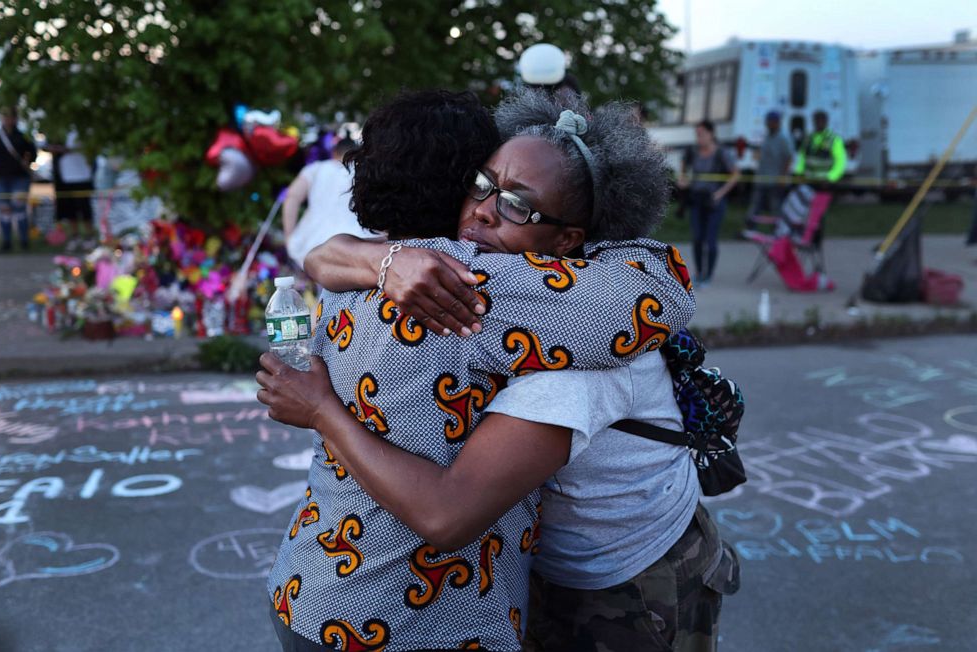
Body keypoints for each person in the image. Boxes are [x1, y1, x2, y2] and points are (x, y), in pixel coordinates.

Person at [258, 90, 731, 651]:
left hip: (631, 577)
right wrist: (375, 259)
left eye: (517, 204)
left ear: (567, 240)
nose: (483, 209)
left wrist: (323, 406)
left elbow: (661, 289)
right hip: (441, 605)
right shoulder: (424, 273)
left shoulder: (540, 312)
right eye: (481, 184)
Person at [281, 137, 376, 269]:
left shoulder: (316, 169)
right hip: (358, 242)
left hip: (314, 242)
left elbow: (292, 197)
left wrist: (289, 237)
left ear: (334, 153)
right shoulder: (365, 172)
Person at [678, 120, 740, 285]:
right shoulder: (693, 151)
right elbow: (684, 169)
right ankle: (699, 273)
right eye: (697, 134)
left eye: (701, 133)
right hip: (697, 200)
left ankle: (708, 275)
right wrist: (683, 180)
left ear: (711, 133)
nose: (698, 137)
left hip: (714, 202)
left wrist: (720, 193)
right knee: (697, 238)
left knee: (710, 240)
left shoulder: (721, 153)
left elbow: (736, 174)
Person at [0, 107, 37, 252]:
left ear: (15, 119)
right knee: (4, 211)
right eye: (5, 117)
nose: (8, 120)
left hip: (19, 178)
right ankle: (6, 242)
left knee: (20, 208)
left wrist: (29, 161)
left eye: (10, 117)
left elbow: (32, 152)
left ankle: (24, 241)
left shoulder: (22, 135)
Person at [48, 130, 95, 249]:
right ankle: (75, 236)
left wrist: (64, 149)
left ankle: (89, 236)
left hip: (83, 175)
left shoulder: (85, 129)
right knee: (70, 210)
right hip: (65, 177)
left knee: (85, 209)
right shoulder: (60, 131)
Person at [746, 111, 792, 229]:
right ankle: (749, 229)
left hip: (775, 180)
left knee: (775, 207)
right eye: (768, 121)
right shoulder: (767, 137)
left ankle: (779, 231)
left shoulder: (783, 138)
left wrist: (783, 177)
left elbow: (788, 158)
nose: (769, 124)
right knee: (755, 205)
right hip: (762, 179)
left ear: (777, 123)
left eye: (771, 122)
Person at [794, 109, 847, 185]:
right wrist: (798, 173)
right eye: (817, 120)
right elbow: (802, 158)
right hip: (808, 181)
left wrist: (831, 177)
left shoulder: (834, 139)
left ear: (826, 121)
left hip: (825, 183)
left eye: (822, 120)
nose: (819, 122)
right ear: (813, 121)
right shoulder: (808, 139)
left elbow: (840, 161)